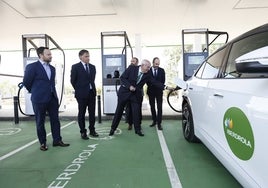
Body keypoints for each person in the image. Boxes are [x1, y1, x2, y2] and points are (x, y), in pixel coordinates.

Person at [109, 59, 172, 137]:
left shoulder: (148, 73)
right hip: (124, 93)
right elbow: (122, 78)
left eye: (149, 68)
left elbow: (154, 82)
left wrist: (166, 87)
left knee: (136, 112)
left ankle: (138, 130)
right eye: (148, 67)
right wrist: (129, 86)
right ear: (142, 65)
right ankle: (113, 129)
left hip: (135, 95)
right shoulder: (131, 68)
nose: (149, 69)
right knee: (119, 111)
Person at [23, 47, 70, 151]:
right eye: (48, 54)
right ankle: (43, 143)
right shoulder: (32, 67)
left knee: (55, 120)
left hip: (52, 98)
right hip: (39, 99)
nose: (50, 56)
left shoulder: (52, 68)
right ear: (41, 55)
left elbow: (51, 83)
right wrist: (36, 91)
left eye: (50, 54)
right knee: (40, 121)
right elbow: (26, 82)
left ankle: (57, 140)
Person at [70, 49, 99, 140]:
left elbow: (92, 80)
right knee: (81, 113)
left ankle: (92, 130)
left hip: (91, 93)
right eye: (86, 56)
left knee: (92, 113)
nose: (88, 58)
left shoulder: (92, 67)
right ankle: (83, 132)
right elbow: (73, 81)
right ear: (80, 57)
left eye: (88, 56)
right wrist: (79, 89)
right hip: (81, 94)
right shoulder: (75, 67)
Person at [147, 57, 165, 130]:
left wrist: (158, 86)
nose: (157, 65)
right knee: (152, 107)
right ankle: (154, 121)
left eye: (158, 63)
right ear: (153, 63)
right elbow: (147, 81)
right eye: (156, 63)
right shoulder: (148, 71)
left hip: (159, 91)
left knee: (159, 107)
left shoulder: (162, 70)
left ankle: (159, 123)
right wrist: (153, 84)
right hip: (151, 91)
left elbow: (163, 81)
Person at [125, 57, 139, 130]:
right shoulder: (128, 69)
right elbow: (124, 79)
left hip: (137, 93)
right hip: (129, 92)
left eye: (133, 61)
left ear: (137, 63)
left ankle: (138, 124)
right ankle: (130, 124)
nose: (131, 62)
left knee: (137, 109)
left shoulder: (139, 71)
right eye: (131, 61)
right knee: (129, 109)